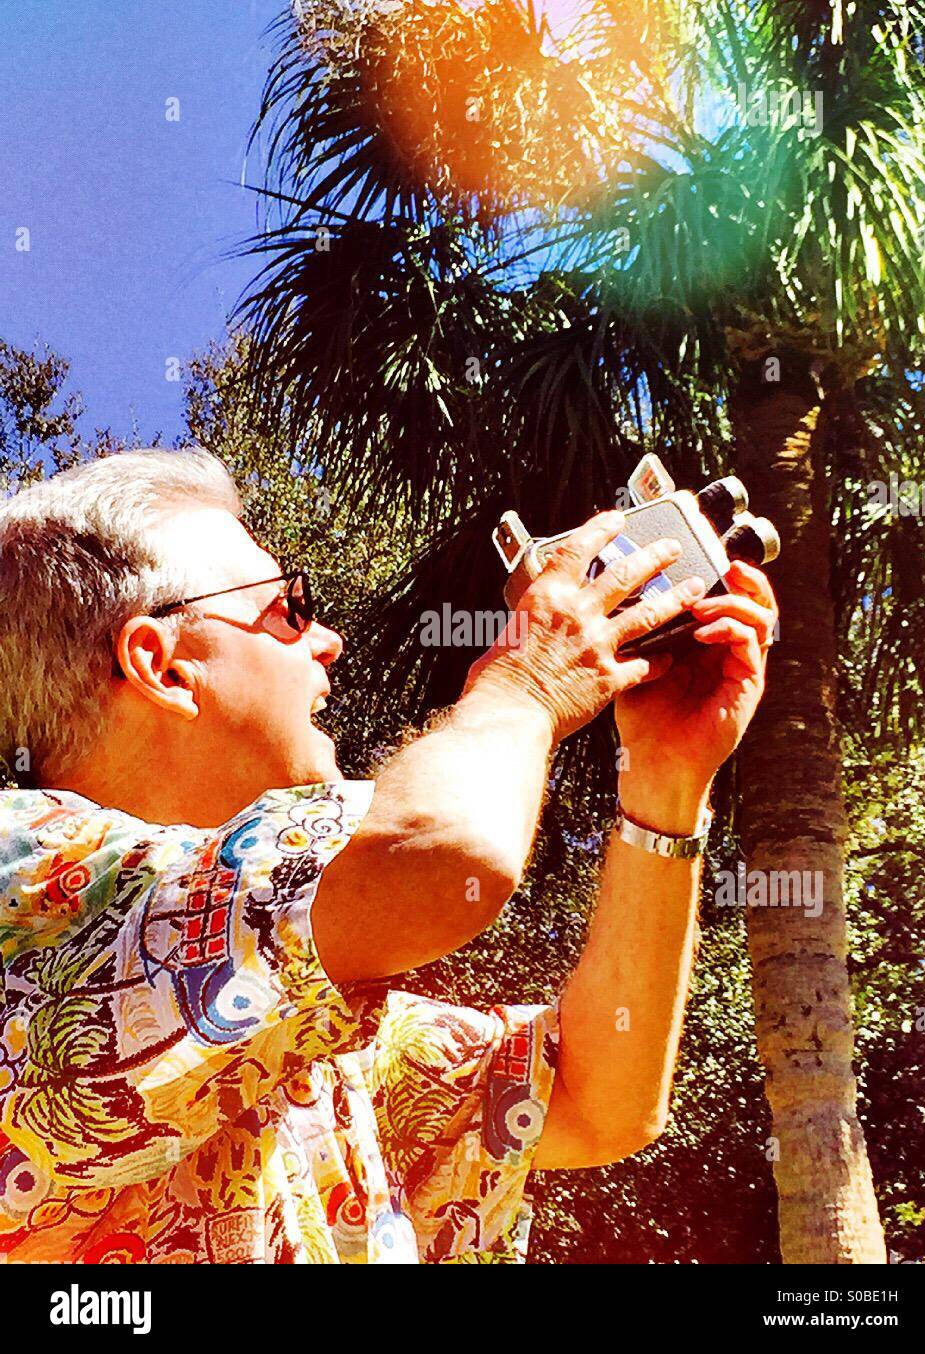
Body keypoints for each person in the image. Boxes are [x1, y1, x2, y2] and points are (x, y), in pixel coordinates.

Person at [0, 447, 777, 1263]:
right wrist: (525, 683)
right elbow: (444, 858)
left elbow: (595, 1097)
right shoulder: (22, 887)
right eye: (289, 609)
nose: (327, 640)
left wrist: (663, 781)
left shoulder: (294, 1005)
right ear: (163, 667)